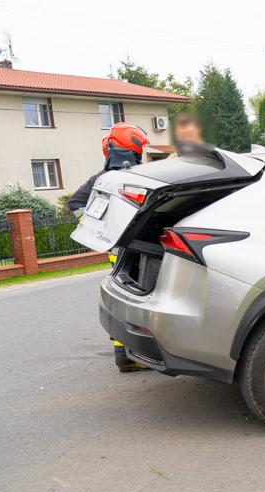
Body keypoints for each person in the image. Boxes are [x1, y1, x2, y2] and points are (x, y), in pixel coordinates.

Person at [68, 123, 151, 373]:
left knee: (125, 299)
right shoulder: (143, 175)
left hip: (121, 250)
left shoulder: (103, 179)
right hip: (141, 249)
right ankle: (127, 356)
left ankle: (129, 354)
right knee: (138, 300)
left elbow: (76, 203)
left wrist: (102, 231)